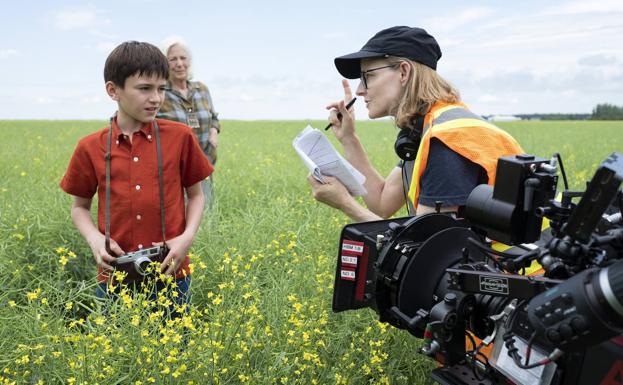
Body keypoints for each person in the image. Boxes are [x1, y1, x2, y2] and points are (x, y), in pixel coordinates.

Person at [308, 26, 523, 221]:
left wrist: (346, 203)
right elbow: (382, 203)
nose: (359, 90)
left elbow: (428, 249)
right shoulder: (426, 129)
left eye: (367, 77)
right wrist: (348, 139)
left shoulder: (446, 140)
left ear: (403, 72)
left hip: (506, 265)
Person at [59, 41, 213, 313]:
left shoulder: (180, 137)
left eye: (161, 88)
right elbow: (79, 208)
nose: (156, 98)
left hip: (172, 274)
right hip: (114, 277)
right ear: (113, 90)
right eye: (144, 88)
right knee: (115, 352)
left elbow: (197, 195)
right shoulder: (90, 147)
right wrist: (95, 239)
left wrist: (186, 238)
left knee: (175, 351)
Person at [157, 41, 220, 207]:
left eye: (183, 58)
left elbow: (214, 117)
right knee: (180, 217)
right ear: (165, 63)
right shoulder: (160, 92)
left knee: (206, 214)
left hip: (204, 163)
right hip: (174, 169)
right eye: (173, 59)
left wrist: (213, 135)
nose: (179, 64)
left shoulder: (201, 89)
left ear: (189, 62)